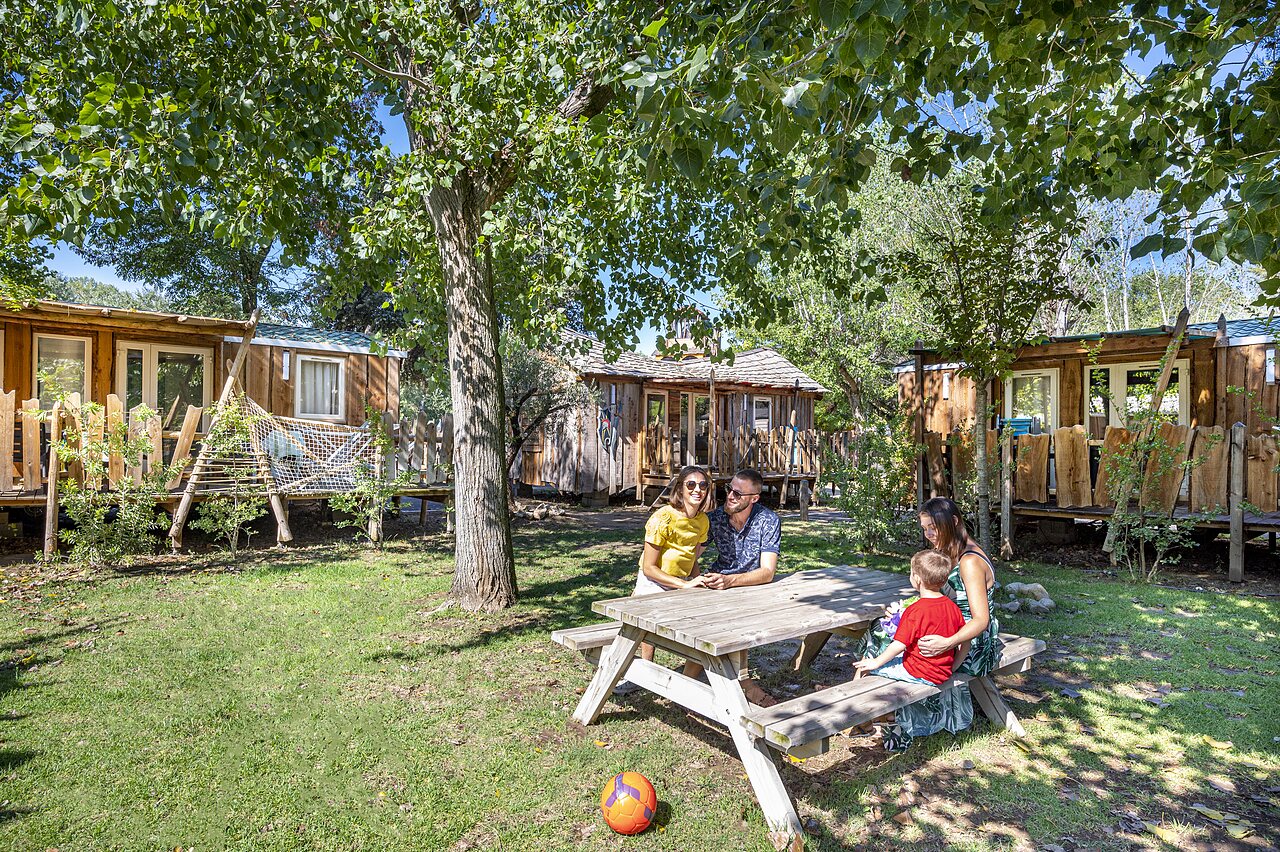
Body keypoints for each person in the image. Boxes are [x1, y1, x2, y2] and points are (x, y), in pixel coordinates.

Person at [858, 496, 1001, 751]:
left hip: (971, 642)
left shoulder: (969, 562)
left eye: (932, 528)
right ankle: (873, 705)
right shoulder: (946, 552)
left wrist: (946, 642)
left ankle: (878, 710)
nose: (929, 534)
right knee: (884, 627)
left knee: (883, 637)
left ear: (953, 522)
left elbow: (981, 620)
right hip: (948, 625)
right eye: (924, 529)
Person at [613, 465, 713, 695]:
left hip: (683, 579)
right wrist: (685, 584)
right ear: (680, 488)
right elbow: (649, 568)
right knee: (645, 629)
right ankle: (642, 671)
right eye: (691, 484)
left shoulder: (702, 521)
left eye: (703, 485)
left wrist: (697, 580)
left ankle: (693, 675)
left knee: (702, 623)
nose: (697, 489)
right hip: (655, 581)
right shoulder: (662, 518)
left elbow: (691, 556)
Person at [696, 467, 781, 707]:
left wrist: (731, 581)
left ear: (754, 498)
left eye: (738, 494)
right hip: (717, 584)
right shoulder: (715, 518)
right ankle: (696, 680)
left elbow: (767, 572)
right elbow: (693, 554)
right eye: (729, 489)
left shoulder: (768, 520)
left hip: (750, 587)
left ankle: (738, 682)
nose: (730, 496)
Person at [853, 550, 969, 685]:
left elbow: (899, 645)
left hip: (918, 672)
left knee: (865, 665)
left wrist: (875, 663)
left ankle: (850, 699)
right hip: (943, 672)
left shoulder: (915, 610)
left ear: (917, 578)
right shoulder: (953, 607)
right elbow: (966, 641)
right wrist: (954, 666)